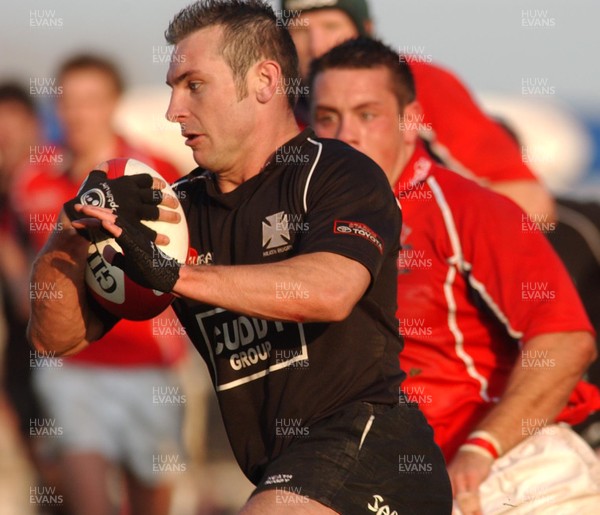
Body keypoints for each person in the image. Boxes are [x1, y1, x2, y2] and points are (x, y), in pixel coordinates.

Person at [28, 1, 452, 514]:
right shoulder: (175, 212)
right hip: (282, 469)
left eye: (194, 85)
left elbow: (330, 291)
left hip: (372, 449)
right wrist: (70, 233)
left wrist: (173, 274)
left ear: (265, 82)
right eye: (171, 88)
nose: (173, 110)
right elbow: (55, 339)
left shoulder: (338, 173)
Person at [309, 37, 600, 514]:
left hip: (515, 473)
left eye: (367, 114)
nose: (347, 135)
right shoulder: (307, 226)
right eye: (327, 118)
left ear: (412, 122)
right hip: (399, 483)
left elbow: (566, 340)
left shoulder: (467, 208)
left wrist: (482, 446)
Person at [11, 56, 187, 515]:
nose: (77, 113)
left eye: (90, 100)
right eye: (66, 101)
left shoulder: (155, 174)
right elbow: (24, 260)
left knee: (151, 504)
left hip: (149, 369)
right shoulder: (35, 179)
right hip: (72, 369)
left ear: (113, 104)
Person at [279, 0, 554, 222]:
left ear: (365, 29)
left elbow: (533, 202)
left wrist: (416, 227)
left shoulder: (421, 84)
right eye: (300, 31)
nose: (315, 45)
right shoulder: (279, 111)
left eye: (331, 26)